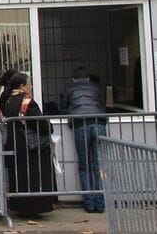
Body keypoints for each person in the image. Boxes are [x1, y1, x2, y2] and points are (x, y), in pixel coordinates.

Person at [1, 72, 56, 218]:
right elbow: (39, 123)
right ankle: (33, 208)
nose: (31, 86)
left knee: (19, 177)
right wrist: (49, 127)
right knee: (33, 177)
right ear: (21, 86)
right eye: (29, 83)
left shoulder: (8, 100)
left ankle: (20, 207)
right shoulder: (26, 102)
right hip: (30, 146)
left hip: (15, 143)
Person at [59, 66, 107, 213]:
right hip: (98, 124)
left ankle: (89, 203)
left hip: (81, 125)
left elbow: (63, 109)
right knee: (98, 165)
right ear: (87, 78)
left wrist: (71, 119)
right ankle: (101, 203)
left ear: (73, 78)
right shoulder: (96, 88)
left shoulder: (68, 89)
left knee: (84, 165)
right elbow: (103, 105)